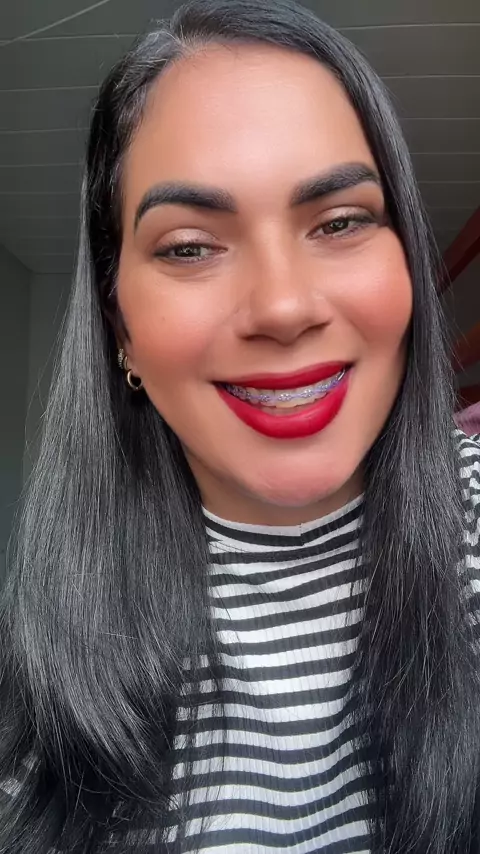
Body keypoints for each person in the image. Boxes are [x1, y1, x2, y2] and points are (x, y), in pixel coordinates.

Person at [1, 1, 480, 851]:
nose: (284, 308)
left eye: (340, 221)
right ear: (120, 328)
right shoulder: (30, 682)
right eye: (189, 246)